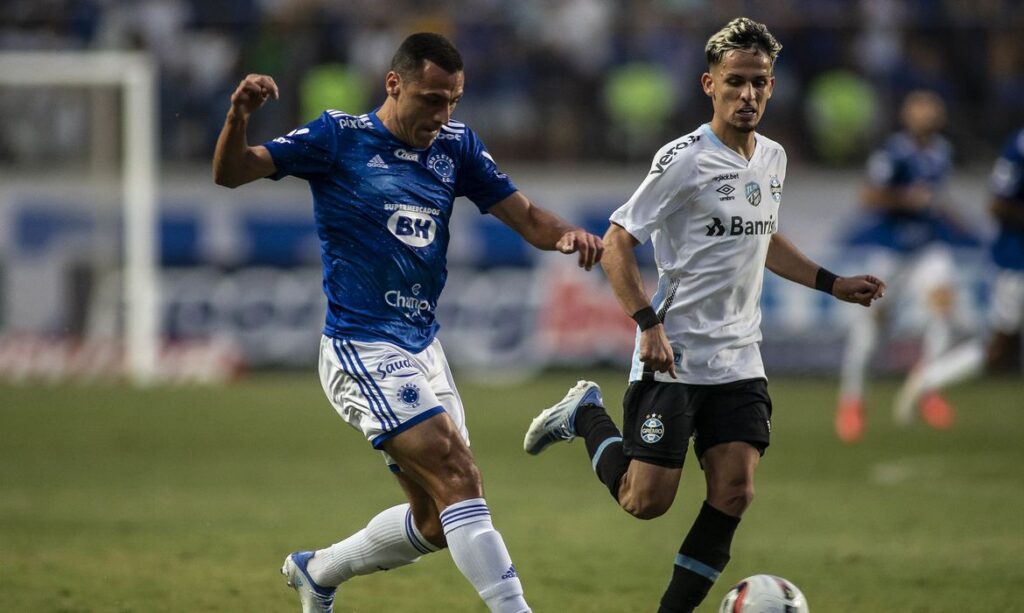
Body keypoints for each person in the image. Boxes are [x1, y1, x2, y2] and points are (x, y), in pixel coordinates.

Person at [212, 32, 603, 613]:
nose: (442, 115)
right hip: (361, 344)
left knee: (438, 519)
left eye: (453, 101)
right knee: (457, 473)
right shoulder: (337, 137)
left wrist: (568, 236)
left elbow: (525, 216)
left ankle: (317, 571)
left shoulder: (456, 146)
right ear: (394, 84)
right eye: (431, 99)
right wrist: (238, 117)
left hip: (423, 346)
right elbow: (232, 172)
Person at [522, 17, 885, 613]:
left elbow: (763, 237)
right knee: (645, 501)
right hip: (676, 354)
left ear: (772, 86)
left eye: (759, 82)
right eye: (735, 81)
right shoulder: (684, 160)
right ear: (709, 84)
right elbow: (616, 242)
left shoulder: (773, 157)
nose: (748, 94)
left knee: (735, 491)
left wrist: (832, 283)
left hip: (740, 356)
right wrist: (648, 324)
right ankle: (585, 413)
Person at [835, 90, 978, 442]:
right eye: (921, 108)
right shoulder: (893, 153)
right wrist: (906, 199)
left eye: (933, 108)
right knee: (870, 328)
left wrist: (960, 225)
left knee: (944, 312)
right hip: (892, 253)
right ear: (907, 115)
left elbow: (936, 200)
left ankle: (927, 386)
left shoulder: (942, 151)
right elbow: (869, 195)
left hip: (927, 250)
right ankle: (852, 400)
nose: (928, 114)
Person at [893, 128, 1024, 418]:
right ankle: (926, 379)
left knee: (1003, 350)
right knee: (1000, 350)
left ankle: (926, 379)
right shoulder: (1019, 146)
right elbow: (998, 203)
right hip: (1016, 263)